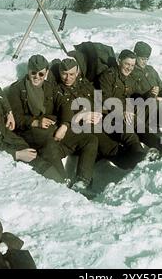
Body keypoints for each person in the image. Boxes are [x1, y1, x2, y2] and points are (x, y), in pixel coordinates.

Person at [7, 54, 99, 190]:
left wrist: (64, 125)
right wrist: (36, 122)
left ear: (47, 73)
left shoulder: (50, 87)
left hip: (53, 130)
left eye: (41, 74)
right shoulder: (17, 89)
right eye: (33, 73)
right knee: (48, 142)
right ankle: (63, 183)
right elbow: (16, 117)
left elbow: (64, 104)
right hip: (32, 132)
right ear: (28, 71)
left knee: (90, 139)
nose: (37, 77)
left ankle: (83, 180)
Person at [56, 56, 154, 169]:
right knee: (109, 146)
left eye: (71, 74)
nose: (68, 78)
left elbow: (98, 98)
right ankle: (135, 163)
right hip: (85, 125)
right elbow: (63, 114)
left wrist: (102, 111)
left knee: (126, 132)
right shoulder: (59, 91)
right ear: (59, 73)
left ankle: (141, 155)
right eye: (64, 74)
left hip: (101, 116)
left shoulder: (84, 83)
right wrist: (82, 116)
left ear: (77, 72)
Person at [98, 49, 162, 152]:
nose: (129, 68)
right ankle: (159, 146)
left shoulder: (130, 77)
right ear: (119, 61)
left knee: (153, 104)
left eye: (132, 65)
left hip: (128, 109)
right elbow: (106, 99)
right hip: (112, 113)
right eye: (127, 64)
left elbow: (138, 94)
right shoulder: (108, 76)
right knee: (133, 119)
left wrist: (150, 94)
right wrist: (121, 111)